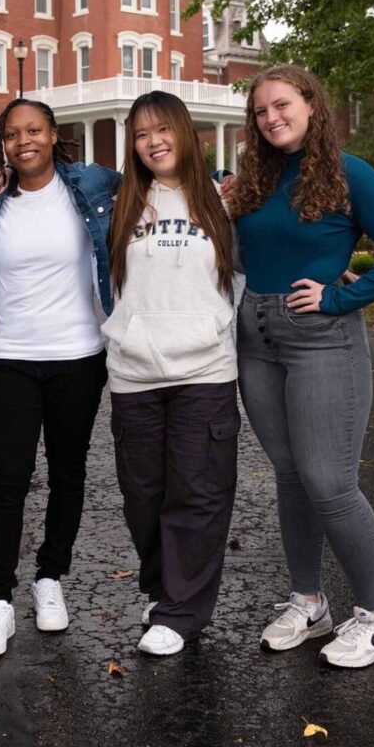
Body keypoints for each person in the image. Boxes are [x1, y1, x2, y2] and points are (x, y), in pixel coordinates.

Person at [230, 64, 374, 668]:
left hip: (321, 340)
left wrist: (341, 297)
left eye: (283, 105)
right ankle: (309, 603)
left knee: (329, 482)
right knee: (290, 477)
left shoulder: (349, 174)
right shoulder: (255, 181)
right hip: (256, 340)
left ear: (312, 106)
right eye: (261, 111)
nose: (272, 118)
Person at [0, 98, 119, 658]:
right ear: (4, 145)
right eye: (13, 134)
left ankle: (51, 579)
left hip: (79, 357)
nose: (25, 141)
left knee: (69, 474)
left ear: (53, 135)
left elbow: (153, 177)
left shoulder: (90, 188)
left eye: (35, 130)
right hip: (14, 359)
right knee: (8, 479)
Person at [102, 91, 239, 657]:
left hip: (204, 369)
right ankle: (165, 589)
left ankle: (182, 610)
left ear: (185, 132)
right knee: (143, 495)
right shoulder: (116, 201)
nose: (153, 141)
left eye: (162, 129)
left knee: (197, 492)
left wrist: (338, 281)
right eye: (140, 133)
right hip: (133, 369)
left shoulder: (224, 200)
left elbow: (285, 242)